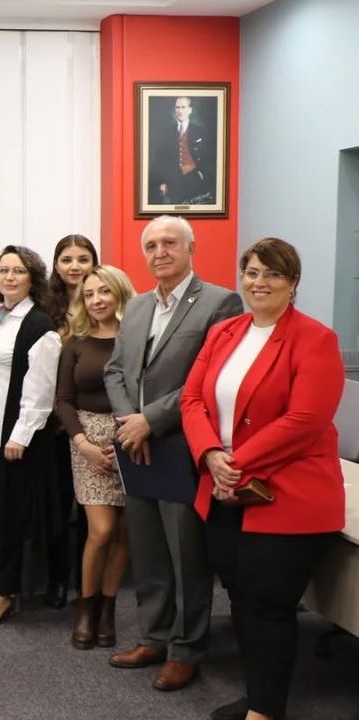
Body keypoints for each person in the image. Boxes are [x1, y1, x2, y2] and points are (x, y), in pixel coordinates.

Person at [180, 238, 345, 720]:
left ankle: (266, 711)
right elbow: (192, 399)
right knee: (241, 598)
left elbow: (305, 420)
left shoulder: (315, 339)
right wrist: (210, 453)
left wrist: (235, 463)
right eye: (252, 272)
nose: (260, 282)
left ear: (293, 282)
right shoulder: (225, 332)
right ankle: (260, 697)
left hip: (286, 495)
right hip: (224, 488)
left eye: (273, 274)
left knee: (267, 604)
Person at [103, 214, 242, 691]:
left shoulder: (220, 302)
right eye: (151, 245)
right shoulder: (137, 306)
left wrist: (151, 420)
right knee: (148, 551)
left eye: (169, 243)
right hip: (135, 445)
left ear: (190, 248)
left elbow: (210, 377)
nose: (159, 252)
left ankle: (186, 648)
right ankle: (154, 636)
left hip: (181, 445)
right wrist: (129, 421)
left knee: (186, 555)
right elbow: (115, 371)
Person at [0, 245, 61, 628]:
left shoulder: (40, 326)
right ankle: (0, 585)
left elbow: (41, 390)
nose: (9, 277)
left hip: (15, 439)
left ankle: (4, 592)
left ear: (32, 278)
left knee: (10, 518)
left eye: (18, 271)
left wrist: (20, 435)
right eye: (3, 270)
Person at [55, 265, 135, 649]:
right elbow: (63, 400)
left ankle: (108, 609)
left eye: (104, 291)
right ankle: (85, 608)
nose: (97, 300)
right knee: (101, 530)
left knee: (124, 533)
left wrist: (127, 438)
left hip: (131, 440)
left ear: (119, 293)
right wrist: (83, 444)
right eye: (89, 294)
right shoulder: (76, 342)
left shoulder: (137, 340)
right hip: (87, 441)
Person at [43, 234, 100, 609]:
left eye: (83, 259)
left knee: (88, 508)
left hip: (91, 421)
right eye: (67, 259)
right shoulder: (45, 308)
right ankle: (56, 578)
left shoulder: (103, 303)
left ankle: (86, 581)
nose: (75, 266)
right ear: (56, 265)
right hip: (52, 422)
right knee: (56, 503)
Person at [149, 96, 216, 206]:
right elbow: (160, 159)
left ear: (190, 110)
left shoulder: (200, 131)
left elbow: (209, 158)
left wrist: (202, 175)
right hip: (172, 180)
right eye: (177, 107)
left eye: (183, 107)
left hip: (195, 179)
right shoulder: (166, 132)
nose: (180, 111)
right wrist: (162, 182)